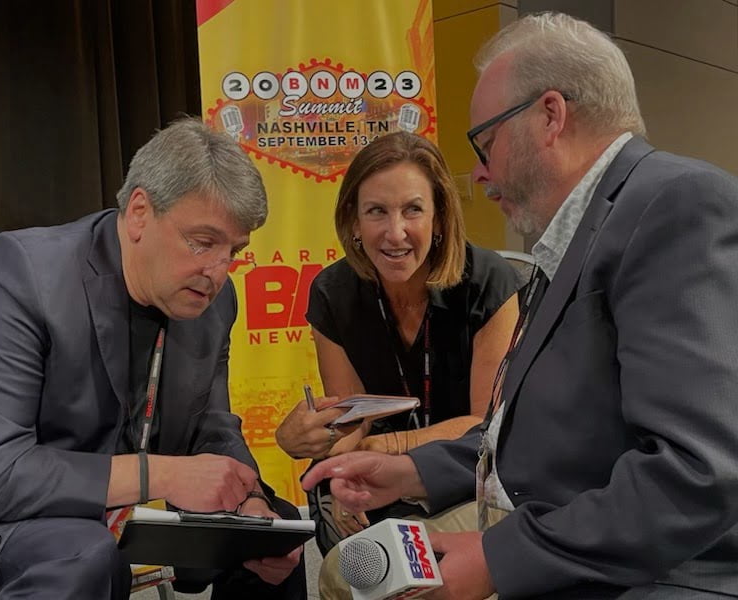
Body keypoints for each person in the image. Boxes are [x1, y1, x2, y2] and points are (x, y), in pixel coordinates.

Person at [303, 12, 738, 600]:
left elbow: (698, 470)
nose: (479, 175)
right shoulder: (579, 240)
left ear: (550, 116)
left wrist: (498, 559)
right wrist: (413, 471)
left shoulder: (674, 205)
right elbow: (550, 434)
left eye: (484, 144)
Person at [0, 117, 305, 600]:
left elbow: (211, 426)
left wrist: (251, 500)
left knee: (273, 537)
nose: (217, 271)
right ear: (138, 213)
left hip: (109, 518)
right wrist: (163, 474)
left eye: (233, 251)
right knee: (81, 552)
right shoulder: (22, 273)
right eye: (202, 242)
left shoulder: (214, 303)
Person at [275, 131, 520, 554]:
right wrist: (323, 450)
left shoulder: (489, 282)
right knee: (355, 556)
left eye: (413, 210)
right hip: (377, 478)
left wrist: (387, 447)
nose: (395, 232)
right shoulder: (333, 292)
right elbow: (352, 419)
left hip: (471, 474)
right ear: (353, 220)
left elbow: (487, 425)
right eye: (376, 211)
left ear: (439, 217)